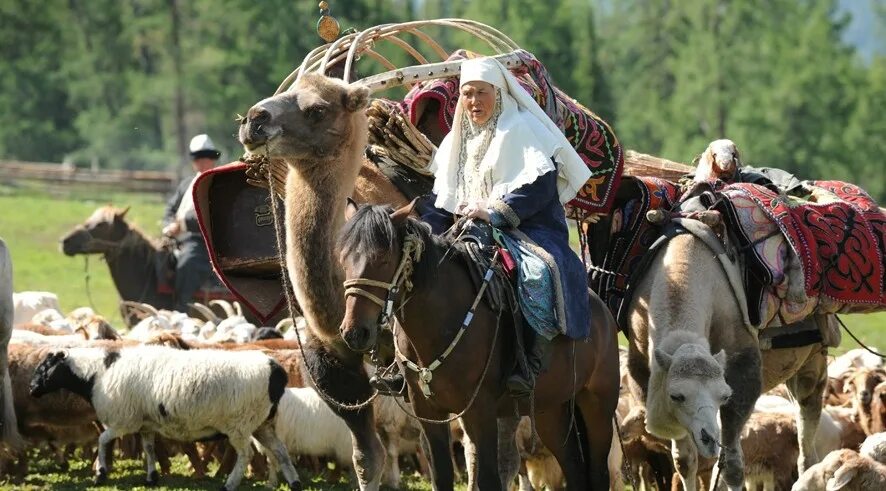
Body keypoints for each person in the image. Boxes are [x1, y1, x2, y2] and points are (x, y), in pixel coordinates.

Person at [387, 57, 593, 397]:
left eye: (481, 93)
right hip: (468, 228)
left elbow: (540, 189)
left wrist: (494, 211)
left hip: (526, 229)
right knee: (414, 271)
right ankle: (404, 363)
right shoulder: (460, 138)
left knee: (538, 275)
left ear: (498, 93)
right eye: (467, 94)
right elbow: (445, 199)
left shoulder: (521, 128)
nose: (474, 102)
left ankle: (529, 363)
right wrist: (422, 230)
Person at [161, 134, 220, 312]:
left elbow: (210, 214)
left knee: (188, 262)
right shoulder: (186, 184)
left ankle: (181, 308)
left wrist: (182, 225)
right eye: (199, 158)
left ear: (213, 159)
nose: (203, 162)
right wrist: (169, 225)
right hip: (180, 240)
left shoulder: (218, 183)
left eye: (207, 157)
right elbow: (170, 209)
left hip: (204, 242)